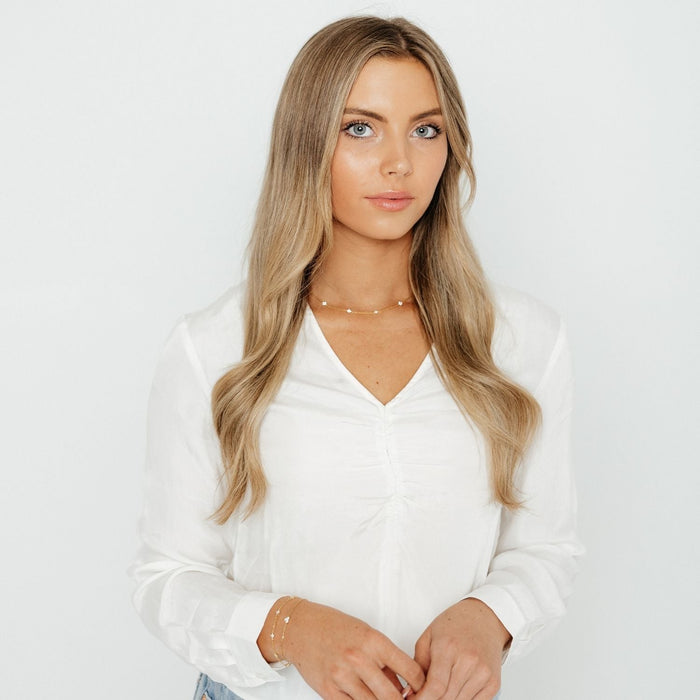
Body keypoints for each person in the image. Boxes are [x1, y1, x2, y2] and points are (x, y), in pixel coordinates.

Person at [129, 15, 583, 700]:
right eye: (360, 128)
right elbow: (167, 576)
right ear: (308, 142)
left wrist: (490, 616)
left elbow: (546, 548)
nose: (398, 162)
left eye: (425, 130)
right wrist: (291, 628)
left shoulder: (522, 341)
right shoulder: (216, 348)